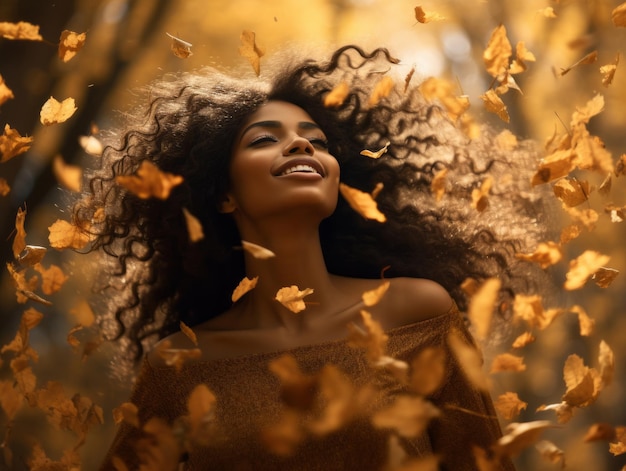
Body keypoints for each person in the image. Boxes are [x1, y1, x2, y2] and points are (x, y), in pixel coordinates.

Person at [75, 45, 550, 470]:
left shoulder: (417, 313)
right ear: (222, 195)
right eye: (264, 139)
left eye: (316, 141)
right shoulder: (181, 363)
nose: (302, 144)